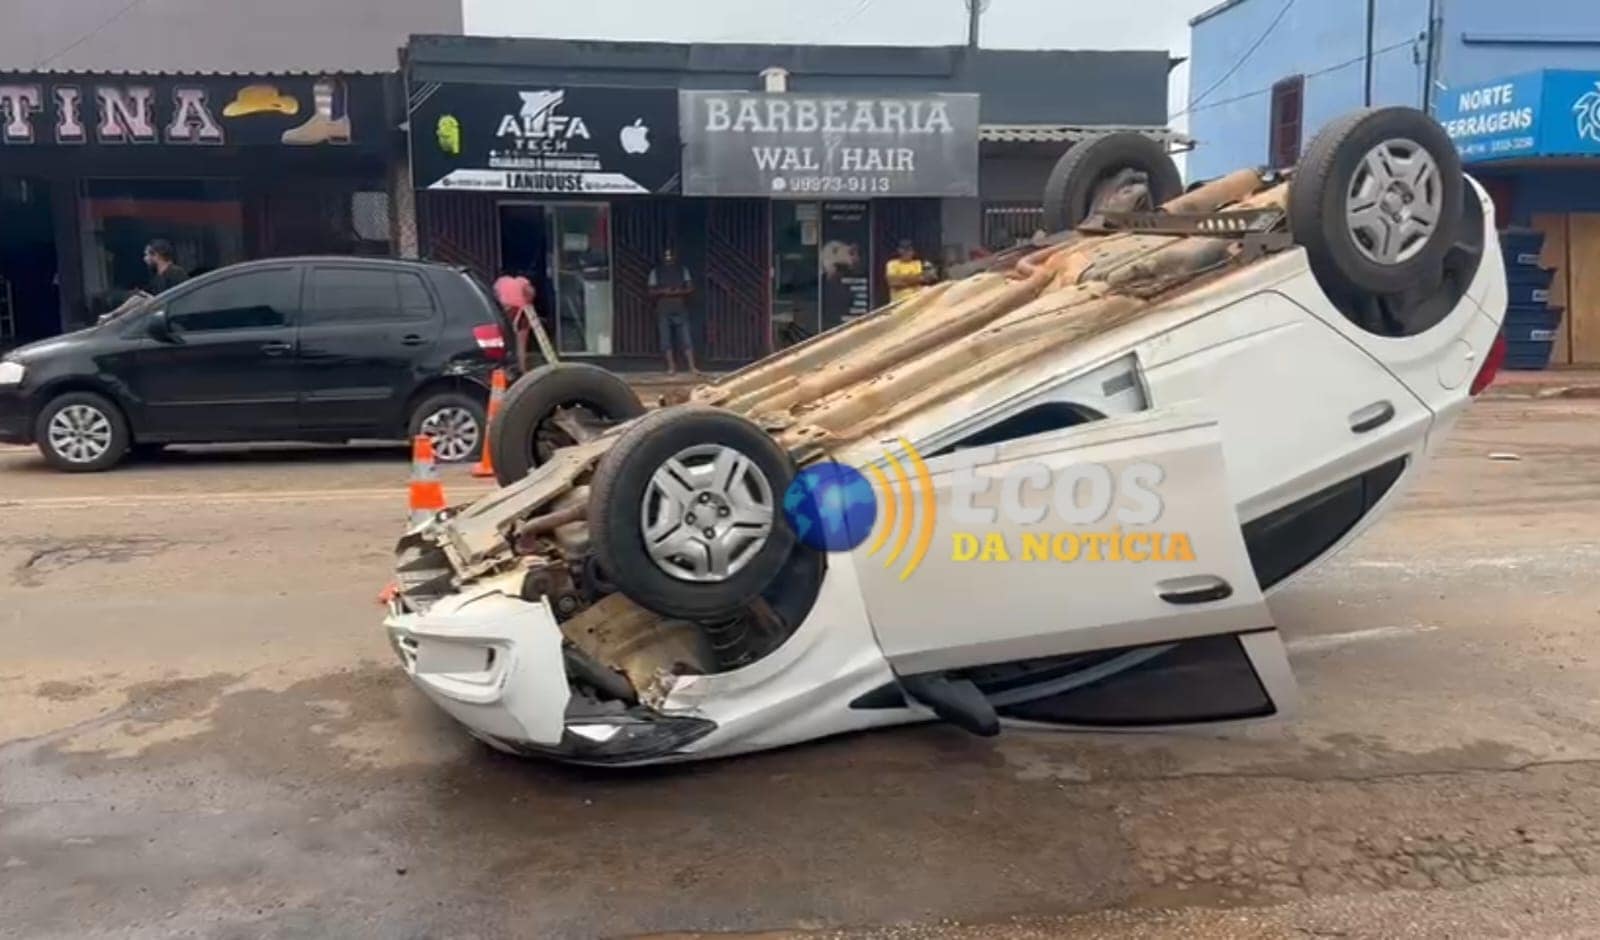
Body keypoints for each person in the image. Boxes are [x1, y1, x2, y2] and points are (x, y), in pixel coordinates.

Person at [648, 247, 698, 374]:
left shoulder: (682, 270)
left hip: (680, 307)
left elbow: (690, 288)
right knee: (666, 339)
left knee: (686, 338)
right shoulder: (655, 272)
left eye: (671, 257)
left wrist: (678, 292)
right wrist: (664, 292)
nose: (669, 260)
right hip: (663, 308)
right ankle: (671, 367)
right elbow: (651, 291)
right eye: (666, 257)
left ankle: (692, 367)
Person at [885, 238, 930, 304]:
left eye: (909, 250)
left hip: (916, 303)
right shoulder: (892, 264)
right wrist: (916, 279)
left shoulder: (918, 263)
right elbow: (893, 282)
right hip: (898, 303)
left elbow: (927, 278)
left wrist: (902, 279)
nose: (906, 252)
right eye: (904, 249)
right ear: (899, 250)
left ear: (913, 251)